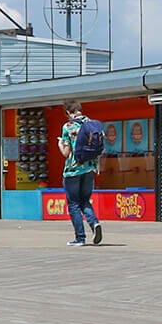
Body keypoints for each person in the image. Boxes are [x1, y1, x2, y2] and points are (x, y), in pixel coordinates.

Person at [59, 104, 104, 246]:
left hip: (73, 170)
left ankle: (80, 238)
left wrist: (60, 143)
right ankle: (94, 223)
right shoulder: (93, 124)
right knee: (85, 200)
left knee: (73, 204)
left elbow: (66, 153)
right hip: (89, 169)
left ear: (68, 112)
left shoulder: (69, 126)